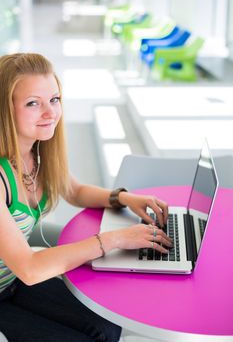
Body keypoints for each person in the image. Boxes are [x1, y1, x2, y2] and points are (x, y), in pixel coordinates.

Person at [0, 53, 172, 342]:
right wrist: (115, 240)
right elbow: (29, 269)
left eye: (54, 100)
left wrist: (123, 198)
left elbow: (74, 190)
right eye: (33, 103)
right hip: (18, 277)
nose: (50, 112)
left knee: (106, 327)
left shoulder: (35, 153)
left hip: (11, 282)